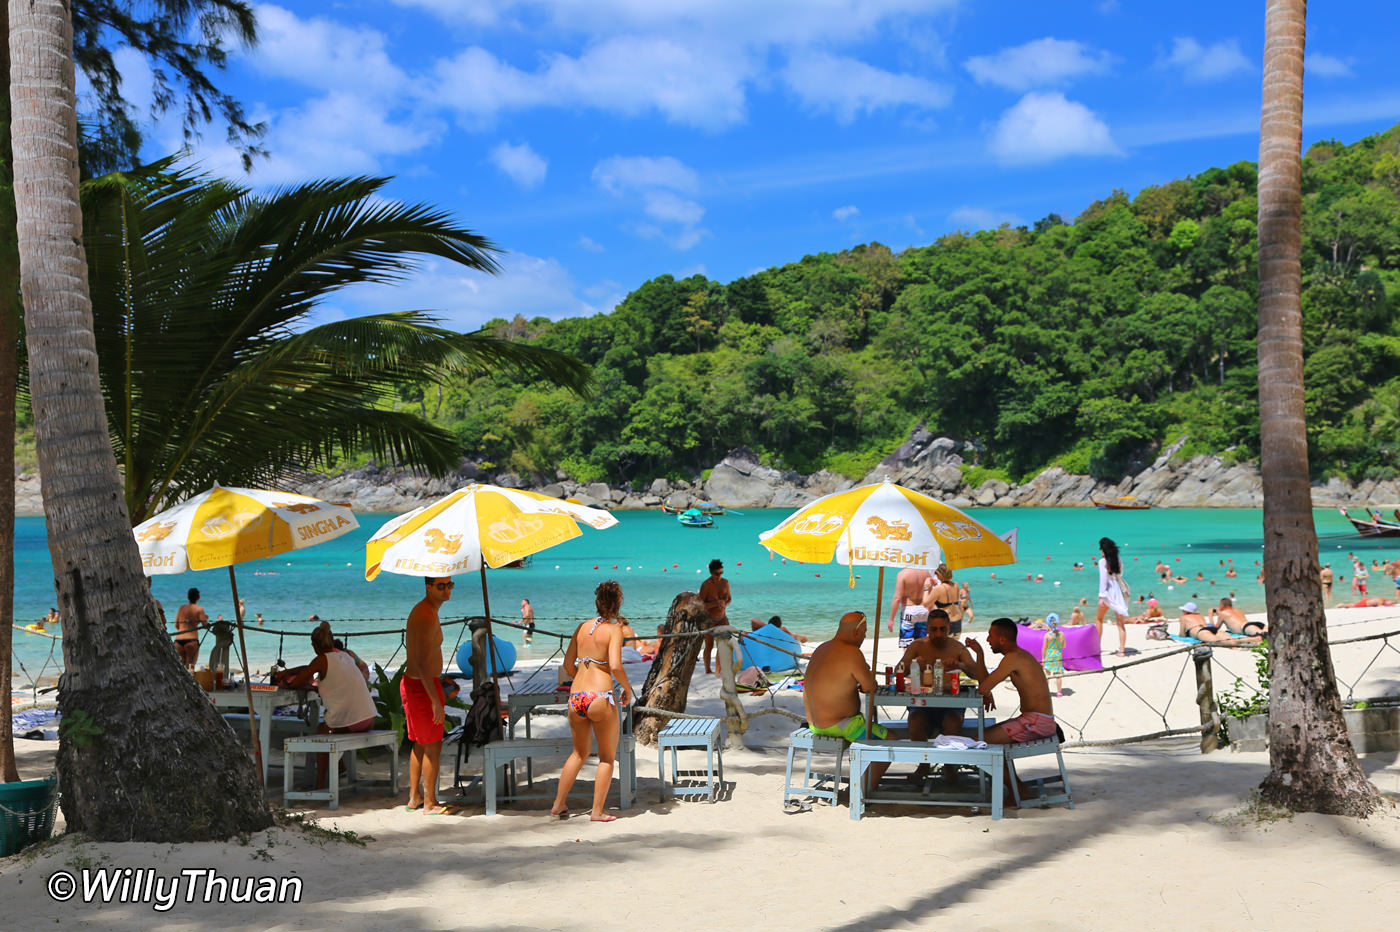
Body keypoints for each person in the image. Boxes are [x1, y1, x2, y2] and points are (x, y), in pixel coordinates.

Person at [549, 580, 635, 823]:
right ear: (618, 604)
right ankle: (597, 812)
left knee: (578, 753)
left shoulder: (581, 627)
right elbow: (616, 665)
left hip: (577, 697)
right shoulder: (615, 631)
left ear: (597, 602)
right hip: (601, 697)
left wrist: (583, 681)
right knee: (606, 757)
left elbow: (568, 666)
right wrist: (626, 688)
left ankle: (558, 804)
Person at [273, 621, 377, 790]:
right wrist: (290, 671)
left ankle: (320, 784)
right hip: (369, 718)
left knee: (323, 730)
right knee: (329, 727)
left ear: (314, 645)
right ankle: (341, 768)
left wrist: (287, 676)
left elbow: (298, 682)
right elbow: (310, 667)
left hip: (353, 722)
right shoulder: (344, 655)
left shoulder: (321, 660)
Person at [965, 618, 1058, 801]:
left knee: (978, 742)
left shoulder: (1013, 658)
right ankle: (1014, 786)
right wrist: (980, 654)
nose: (988, 640)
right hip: (1035, 719)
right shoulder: (1017, 655)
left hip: (1036, 722)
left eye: (990, 636)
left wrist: (986, 692)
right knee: (983, 737)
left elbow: (983, 687)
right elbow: (985, 685)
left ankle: (1018, 790)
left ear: (1002, 640)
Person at [802, 611, 889, 788]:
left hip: (814, 723)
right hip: (838, 725)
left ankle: (863, 783)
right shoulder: (852, 652)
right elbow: (870, 687)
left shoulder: (822, 648)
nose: (864, 637)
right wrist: (866, 671)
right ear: (856, 632)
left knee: (876, 735)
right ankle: (862, 792)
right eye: (864, 633)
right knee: (889, 743)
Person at [895, 609, 976, 775]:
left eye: (942, 629)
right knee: (915, 720)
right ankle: (923, 765)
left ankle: (950, 767)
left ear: (949, 628)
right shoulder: (918, 646)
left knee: (952, 723)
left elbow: (977, 673)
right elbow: (898, 671)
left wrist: (960, 666)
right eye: (933, 629)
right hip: (923, 703)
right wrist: (914, 664)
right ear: (927, 627)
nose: (938, 634)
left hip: (950, 704)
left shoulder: (957, 648)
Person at [403, 576, 451, 813]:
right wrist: (435, 700)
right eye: (441, 585)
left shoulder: (428, 611)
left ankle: (415, 798)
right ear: (428, 587)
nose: (447, 590)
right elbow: (421, 662)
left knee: (420, 743)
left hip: (420, 684)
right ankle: (430, 803)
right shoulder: (424, 615)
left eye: (450, 584)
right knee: (432, 745)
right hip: (422, 686)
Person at [1096, 537, 1130, 657]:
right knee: (1120, 623)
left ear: (1103, 549)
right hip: (1118, 592)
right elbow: (1120, 574)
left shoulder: (1102, 561)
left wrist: (1101, 596)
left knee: (1099, 619)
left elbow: (1103, 580)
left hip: (1108, 592)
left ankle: (1097, 647)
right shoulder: (1118, 559)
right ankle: (1122, 651)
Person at [698, 559, 732, 674]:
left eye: (721, 573)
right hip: (709, 620)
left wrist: (724, 604)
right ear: (711, 573)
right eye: (717, 574)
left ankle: (719, 669)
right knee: (709, 645)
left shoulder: (725, 583)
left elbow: (729, 599)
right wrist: (714, 604)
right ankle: (708, 669)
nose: (719, 576)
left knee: (722, 645)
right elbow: (701, 606)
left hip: (722, 618)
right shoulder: (706, 585)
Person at [1178, 601, 1260, 645]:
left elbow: (1182, 635)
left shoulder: (1183, 618)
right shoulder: (1200, 615)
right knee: (1232, 640)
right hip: (1211, 629)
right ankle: (1254, 639)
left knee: (1218, 642)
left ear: (1185, 611)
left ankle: (1253, 639)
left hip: (1201, 632)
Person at [886, 565, 933, 634]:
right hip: (924, 610)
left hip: (909, 611)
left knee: (907, 642)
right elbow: (930, 596)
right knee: (922, 642)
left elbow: (897, 598)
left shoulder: (903, 574)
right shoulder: (926, 573)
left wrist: (891, 619)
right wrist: (932, 613)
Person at [173, 587, 206, 667]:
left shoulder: (181, 608)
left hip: (178, 641)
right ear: (198, 598)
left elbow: (176, 625)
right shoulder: (199, 609)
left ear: (188, 597)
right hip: (191, 641)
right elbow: (205, 626)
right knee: (190, 668)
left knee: (180, 668)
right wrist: (205, 619)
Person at [927, 563, 962, 636]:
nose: (936, 575)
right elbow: (947, 597)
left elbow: (926, 604)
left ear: (940, 575)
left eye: (936, 573)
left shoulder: (938, 589)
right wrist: (935, 586)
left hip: (946, 623)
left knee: (941, 647)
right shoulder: (956, 585)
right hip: (957, 622)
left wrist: (926, 588)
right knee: (953, 646)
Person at [1042, 613, 1066, 698]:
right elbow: (1063, 646)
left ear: (1048, 624)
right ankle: (1059, 692)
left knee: (1047, 674)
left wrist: (1043, 658)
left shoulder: (1047, 635)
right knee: (1058, 675)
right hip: (1058, 656)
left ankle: (1045, 691)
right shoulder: (1062, 634)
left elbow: (1044, 648)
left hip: (1049, 656)